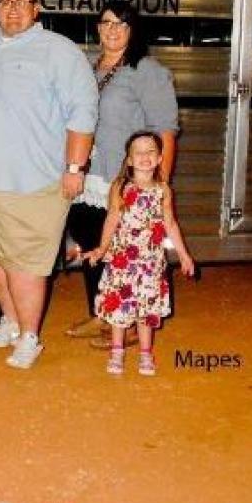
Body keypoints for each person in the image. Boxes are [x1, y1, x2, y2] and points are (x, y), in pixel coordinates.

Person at [0, 0, 98, 369]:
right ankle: (10, 321)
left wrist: (74, 168)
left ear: (36, 9)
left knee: (26, 265)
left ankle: (30, 337)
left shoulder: (58, 51)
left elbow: (83, 111)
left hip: (33, 183)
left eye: (21, 2)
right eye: (5, 2)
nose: (12, 9)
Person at [65, 2, 179, 349]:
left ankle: (127, 323)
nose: (112, 30)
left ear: (133, 30)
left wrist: (157, 189)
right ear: (97, 28)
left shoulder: (147, 70)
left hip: (126, 179)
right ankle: (102, 313)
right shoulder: (89, 68)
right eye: (106, 23)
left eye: (121, 24)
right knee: (91, 241)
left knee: (124, 251)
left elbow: (166, 132)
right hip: (90, 175)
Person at [82, 131, 195, 376]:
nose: (145, 156)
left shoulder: (163, 190)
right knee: (119, 309)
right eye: (139, 152)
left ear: (159, 157)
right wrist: (102, 248)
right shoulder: (120, 187)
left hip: (150, 263)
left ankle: (145, 353)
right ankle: (117, 351)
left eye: (151, 151)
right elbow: (112, 218)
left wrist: (184, 255)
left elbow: (171, 224)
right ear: (129, 160)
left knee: (146, 310)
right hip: (122, 261)